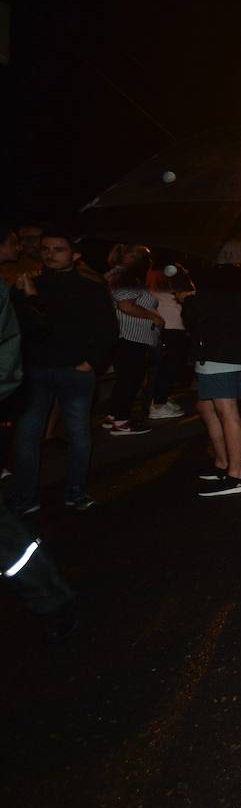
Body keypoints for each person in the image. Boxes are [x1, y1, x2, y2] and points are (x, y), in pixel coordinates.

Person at [0, 225, 76, 639]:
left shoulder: (18, 288)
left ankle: (53, 600)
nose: (30, 249)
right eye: (23, 242)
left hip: (54, 373)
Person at [9, 231, 118, 514]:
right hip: (35, 370)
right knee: (27, 436)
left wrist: (92, 361)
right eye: (45, 249)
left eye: (59, 249)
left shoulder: (90, 288)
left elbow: (106, 330)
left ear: (75, 254)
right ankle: (26, 497)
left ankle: (76, 491)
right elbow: (22, 329)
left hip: (75, 370)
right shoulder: (27, 286)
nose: (50, 254)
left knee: (78, 433)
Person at [182, 265, 241, 497]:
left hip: (220, 354)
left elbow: (199, 317)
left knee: (227, 412)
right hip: (228, 353)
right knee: (208, 407)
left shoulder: (219, 281)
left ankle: (236, 474)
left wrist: (188, 301)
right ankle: (223, 462)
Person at [105, 244, 162, 435]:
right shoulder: (123, 276)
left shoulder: (122, 276)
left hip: (129, 336)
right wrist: (154, 317)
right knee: (131, 378)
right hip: (130, 336)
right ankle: (122, 421)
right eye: (145, 258)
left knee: (125, 378)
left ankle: (114, 415)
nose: (149, 263)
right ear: (129, 258)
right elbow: (126, 306)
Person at [146, 263, 193, 420]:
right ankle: (158, 404)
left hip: (166, 325)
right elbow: (186, 296)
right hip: (172, 325)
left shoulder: (152, 275)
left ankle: (160, 400)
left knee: (165, 366)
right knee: (169, 366)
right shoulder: (171, 275)